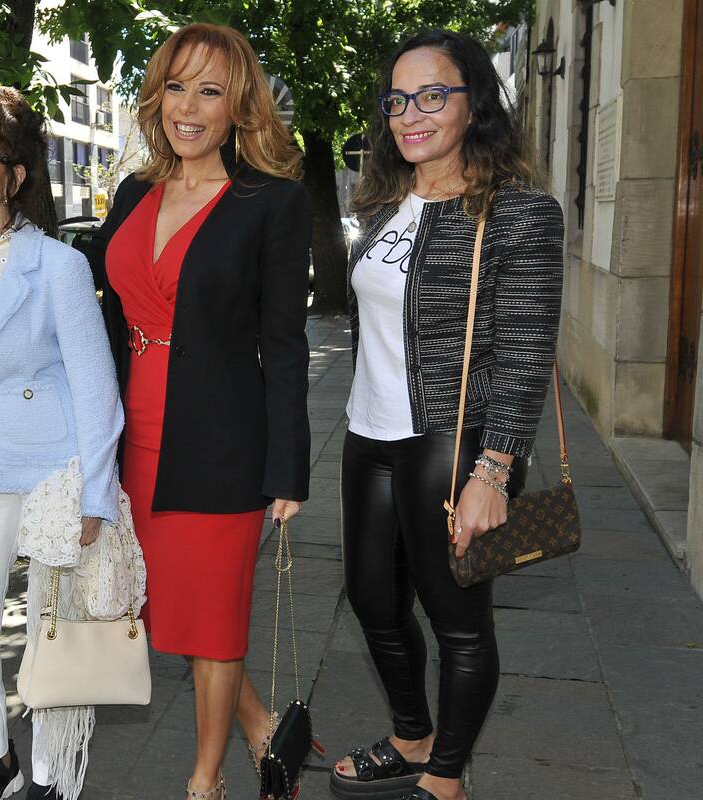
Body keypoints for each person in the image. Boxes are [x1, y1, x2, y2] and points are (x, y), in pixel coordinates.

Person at [329, 30, 564, 800]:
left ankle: (446, 778)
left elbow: (527, 353)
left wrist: (494, 471)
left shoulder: (520, 214)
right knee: (372, 599)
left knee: (456, 616)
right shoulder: (383, 201)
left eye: (433, 95)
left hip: (452, 438)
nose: (410, 115)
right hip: (369, 431)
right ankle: (410, 734)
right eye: (398, 100)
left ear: (475, 103)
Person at [86, 22, 312, 800]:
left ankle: (204, 782)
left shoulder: (271, 203)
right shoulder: (132, 192)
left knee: (212, 623)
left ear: (237, 105)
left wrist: (288, 467)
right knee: (166, 609)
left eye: (210, 90)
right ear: (157, 96)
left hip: (221, 444)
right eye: (177, 85)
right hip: (132, 438)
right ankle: (260, 728)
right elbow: (104, 315)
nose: (189, 106)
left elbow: (285, 346)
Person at [0, 85, 123, 800]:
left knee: (56, 636)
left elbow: (98, 390)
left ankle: (47, 779)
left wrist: (97, 493)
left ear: (15, 175)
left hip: (53, 472)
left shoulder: (59, 267)